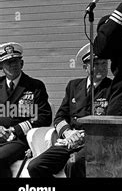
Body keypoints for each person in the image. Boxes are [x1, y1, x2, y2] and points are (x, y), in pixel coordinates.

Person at [28, 44, 112, 178]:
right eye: (96, 64)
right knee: (35, 166)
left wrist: (82, 135)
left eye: (104, 63)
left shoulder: (113, 88)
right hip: (70, 141)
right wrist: (68, 133)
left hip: (95, 141)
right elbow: (60, 117)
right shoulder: (73, 86)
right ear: (85, 67)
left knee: (73, 164)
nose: (101, 67)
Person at [0, 42, 52, 177]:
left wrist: (14, 129)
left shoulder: (35, 86)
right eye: (8, 62)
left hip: (20, 139)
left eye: (16, 61)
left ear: (22, 63)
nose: (13, 65)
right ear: (1, 66)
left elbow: (44, 116)